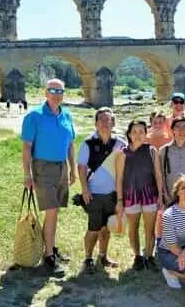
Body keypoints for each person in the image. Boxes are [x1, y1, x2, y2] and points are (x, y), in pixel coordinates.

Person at [21, 78, 77, 274]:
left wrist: (73, 169)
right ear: (45, 93)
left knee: (55, 211)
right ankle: (49, 257)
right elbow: (27, 148)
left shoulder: (67, 115)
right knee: (51, 210)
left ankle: (50, 247)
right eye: (52, 90)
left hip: (61, 166)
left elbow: (71, 145)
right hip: (42, 167)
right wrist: (27, 175)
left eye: (60, 91)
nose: (56, 94)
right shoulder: (34, 116)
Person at [77, 107, 126, 274]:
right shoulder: (87, 143)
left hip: (112, 195)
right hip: (94, 194)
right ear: (96, 123)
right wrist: (84, 189)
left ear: (113, 122)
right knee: (93, 229)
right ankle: (88, 259)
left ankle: (103, 256)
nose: (105, 123)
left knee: (106, 228)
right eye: (102, 120)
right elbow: (81, 168)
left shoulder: (120, 144)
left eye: (108, 120)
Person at [115, 119, 165, 271]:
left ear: (146, 133)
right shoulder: (122, 154)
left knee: (150, 229)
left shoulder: (151, 151)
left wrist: (161, 195)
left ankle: (149, 256)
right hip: (130, 196)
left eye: (141, 132)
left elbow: (158, 174)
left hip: (149, 194)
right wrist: (119, 200)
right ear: (129, 134)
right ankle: (137, 256)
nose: (138, 135)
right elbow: (119, 179)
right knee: (133, 228)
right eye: (134, 132)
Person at [159, 117, 185, 206]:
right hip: (170, 197)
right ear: (173, 130)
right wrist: (165, 195)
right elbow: (161, 175)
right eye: (178, 127)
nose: (182, 130)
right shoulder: (164, 150)